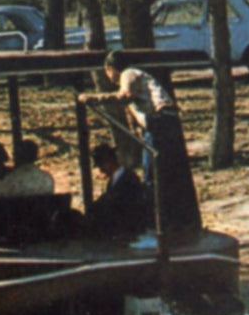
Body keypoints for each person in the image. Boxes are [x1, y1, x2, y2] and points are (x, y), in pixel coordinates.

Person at [79, 51, 202, 233]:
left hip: (159, 122)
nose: (108, 76)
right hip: (160, 123)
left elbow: (124, 96)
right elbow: (135, 113)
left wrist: (93, 98)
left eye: (107, 72)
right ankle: (166, 220)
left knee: (151, 176)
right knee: (156, 173)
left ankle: (155, 223)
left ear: (110, 68)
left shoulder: (128, 74)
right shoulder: (138, 80)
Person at [86, 143, 149, 238]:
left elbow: (127, 206)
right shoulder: (112, 182)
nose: (101, 170)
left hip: (129, 228)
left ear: (109, 161)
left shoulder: (129, 178)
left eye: (101, 165)